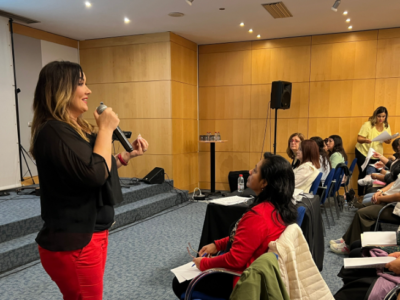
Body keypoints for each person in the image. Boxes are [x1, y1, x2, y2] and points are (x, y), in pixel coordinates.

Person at [30, 61, 149, 300]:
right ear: (61, 89)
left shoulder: (74, 128)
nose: (89, 90)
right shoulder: (53, 131)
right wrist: (105, 130)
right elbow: (94, 174)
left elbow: (95, 167)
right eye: (81, 83)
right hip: (75, 241)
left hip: (91, 234)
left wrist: (125, 156)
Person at [172, 154, 297, 299]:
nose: (250, 171)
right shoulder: (278, 208)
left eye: (255, 170)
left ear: (264, 183)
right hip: (254, 271)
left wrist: (205, 263)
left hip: (241, 279)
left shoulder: (258, 216)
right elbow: (247, 239)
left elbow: (235, 259)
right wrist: (217, 244)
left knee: (178, 282)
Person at [330, 175, 400, 255]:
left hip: (394, 207)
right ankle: (346, 239)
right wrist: (380, 191)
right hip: (389, 200)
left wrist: (381, 199)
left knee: (362, 213)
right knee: (363, 206)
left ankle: (349, 246)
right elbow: (395, 182)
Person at [355, 106, 392, 197]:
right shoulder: (368, 124)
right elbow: (359, 139)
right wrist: (365, 140)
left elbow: (388, 141)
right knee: (363, 173)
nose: (381, 119)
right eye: (379, 116)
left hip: (376, 153)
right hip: (363, 151)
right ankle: (360, 196)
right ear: (375, 115)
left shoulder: (386, 126)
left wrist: (386, 139)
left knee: (374, 173)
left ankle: (370, 195)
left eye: (383, 116)